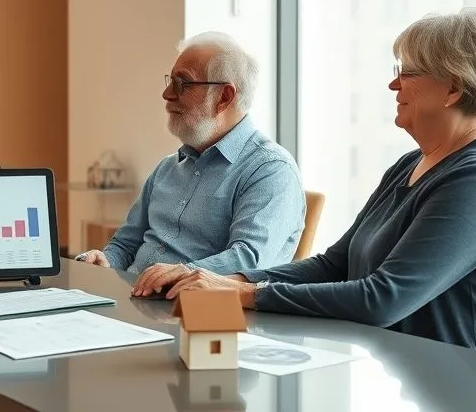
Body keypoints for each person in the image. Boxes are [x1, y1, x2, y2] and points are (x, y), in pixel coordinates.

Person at [165, 8, 476, 360]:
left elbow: (382, 299)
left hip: (466, 393)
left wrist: (244, 293)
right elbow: (333, 265)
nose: (393, 84)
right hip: (400, 373)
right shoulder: (412, 164)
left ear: (452, 89)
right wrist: (225, 278)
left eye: (407, 73)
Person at [76, 31, 306, 296]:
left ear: (224, 97)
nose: (166, 94)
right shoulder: (166, 168)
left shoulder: (271, 171)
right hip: (138, 306)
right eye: (170, 81)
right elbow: (125, 245)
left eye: (182, 83)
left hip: (201, 321)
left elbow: (250, 262)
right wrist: (106, 261)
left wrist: (182, 273)